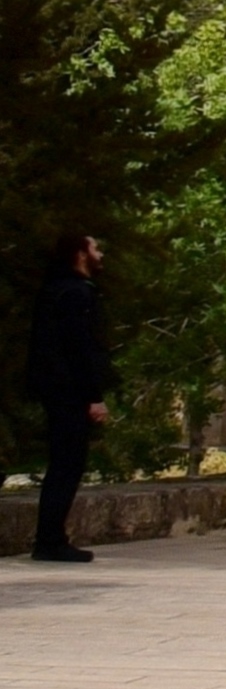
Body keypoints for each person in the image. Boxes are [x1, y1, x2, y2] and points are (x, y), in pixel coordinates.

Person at [28, 235, 108, 564]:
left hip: (56, 390)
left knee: (62, 464)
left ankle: (52, 537)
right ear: (80, 254)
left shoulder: (54, 291)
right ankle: (49, 540)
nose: (100, 254)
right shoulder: (75, 294)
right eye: (95, 248)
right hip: (69, 393)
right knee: (67, 465)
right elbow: (80, 350)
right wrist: (93, 396)